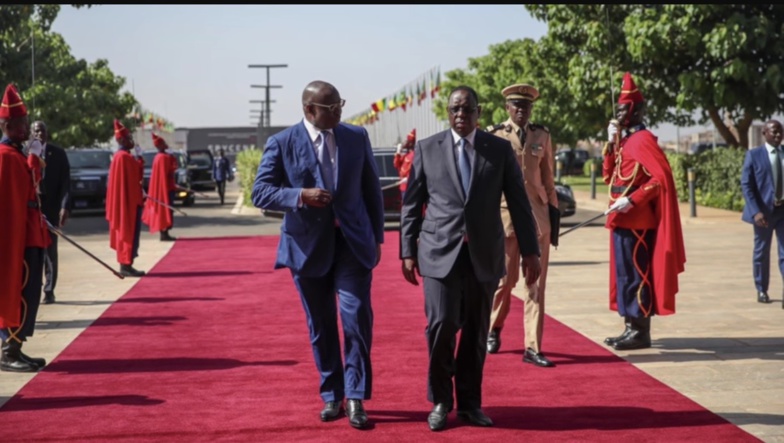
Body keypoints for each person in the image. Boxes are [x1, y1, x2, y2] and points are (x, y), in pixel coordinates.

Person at [400, 85, 541, 431]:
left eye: (468, 110)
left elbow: (519, 204)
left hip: (483, 254)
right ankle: (440, 400)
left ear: (479, 113)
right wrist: (407, 250)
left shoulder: (499, 150)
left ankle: (470, 404)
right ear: (448, 113)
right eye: (455, 110)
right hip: (437, 252)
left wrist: (530, 251)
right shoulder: (427, 149)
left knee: (477, 332)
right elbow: (411, 204)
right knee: (442, 325)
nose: (461, 115)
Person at [251, 80, 384, 430]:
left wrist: (378, 239)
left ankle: (355, 396)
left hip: (353, 245)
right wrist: (300, 195)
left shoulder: (356, 137)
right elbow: (261, 192)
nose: (339, 111)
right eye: (331, 107)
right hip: (307, 249)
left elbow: (371, 190)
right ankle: (332, 395)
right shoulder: (282, 143)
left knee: (356, 319)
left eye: (340, 104)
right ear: (309, 110)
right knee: (321, 326)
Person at [601, 72, 686, 350]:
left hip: (637, 220)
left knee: (637, 274)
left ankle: (640, 331)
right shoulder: (626, 142)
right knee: (624, 275)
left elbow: (659, 179)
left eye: (624, 108)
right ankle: (629, 325)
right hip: (621, 219)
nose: (620, 114)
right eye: (619, 109)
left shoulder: (644, 140)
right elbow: (609, 176)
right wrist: (610, 145)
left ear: (636, 110)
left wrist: (632, 200)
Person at [485, 83, 559, 368]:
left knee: (535, 285)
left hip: (538, 220)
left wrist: (553, 217)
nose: (521, 110)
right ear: (507, 108)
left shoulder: (542, 135)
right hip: (506, 219)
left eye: (526, 106)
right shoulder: (495, 136)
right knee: (505, 282)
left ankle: (533, 347)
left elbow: (548, 179)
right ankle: (493, 328)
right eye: (516, 105)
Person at [0, 83, 51, 372]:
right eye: (20, 124)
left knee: (30, 292)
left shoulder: (18, 155)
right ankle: (9, 350)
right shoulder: (5, 158)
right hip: (18, 236)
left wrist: (33, 160)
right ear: (7, 125)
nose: (26, 128)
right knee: (19, 288)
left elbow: (32, 190)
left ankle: (17, 346)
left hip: (31, 231)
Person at [740, 119, 784, 309]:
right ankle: (761, 288)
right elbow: (746, 185)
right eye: (773, 131)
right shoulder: (754, 155)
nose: (777, 135)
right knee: (761, 253)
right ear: (764, 133)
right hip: (763, 213)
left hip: (783, 211)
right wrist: (755, 211)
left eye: (780, 131)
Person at [31, 120, 70, 305]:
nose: (40, 134)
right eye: (36, 131)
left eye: (43, 131)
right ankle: (32, 288)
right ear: (31, 133)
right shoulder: (24, 153)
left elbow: (65, 184)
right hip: (30, 212)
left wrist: (64, 207)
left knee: (50, 252)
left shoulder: (58, 153)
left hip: (51, 210)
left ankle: (49, 290)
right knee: (32, 252)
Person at [106, 119, 146, 277]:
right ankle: (125, 265)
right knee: (128, 233)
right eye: (129, 138)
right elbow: (137, 175)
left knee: (131, 233)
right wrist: (140, 160)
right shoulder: (123, 157)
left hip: (129, 201)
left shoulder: (123, 156)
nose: (132, 140)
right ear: (121, 140)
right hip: (127, 203)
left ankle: (128, 264)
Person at [142, 133, 177, 241]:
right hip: (166, 189)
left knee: (166, 210)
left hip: (166, 187)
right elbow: (172, 169)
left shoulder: (159, 157)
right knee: (166, 210)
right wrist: (172, 157)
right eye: (163, 143)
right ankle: (164, 232)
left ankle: (164, 232)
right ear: (160, 145)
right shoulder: (163, 158)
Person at [393, 128, 416, 195]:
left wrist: (408, 178)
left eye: (408, 141)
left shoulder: (414, 155)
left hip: (410, 187)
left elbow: (415, 170)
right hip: (403, 187)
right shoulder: (406, 155)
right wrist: (398, 152)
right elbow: (396, 164)